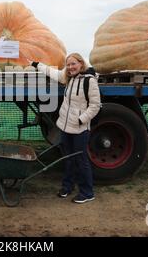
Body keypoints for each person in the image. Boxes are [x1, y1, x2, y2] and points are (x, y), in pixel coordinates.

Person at [28, 53, 101, 204]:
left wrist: (81, 120)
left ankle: (87, 192)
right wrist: (37, 64)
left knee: (81, 160)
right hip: (65, 126)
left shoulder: (90, 81)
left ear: (81, 64)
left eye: (73, 64)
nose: (70, 67)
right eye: (68, 65)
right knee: (68, 158)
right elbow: (52, 72)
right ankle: (67, 187)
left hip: (80, 129)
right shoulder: (68, 78)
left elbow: (95, 106)